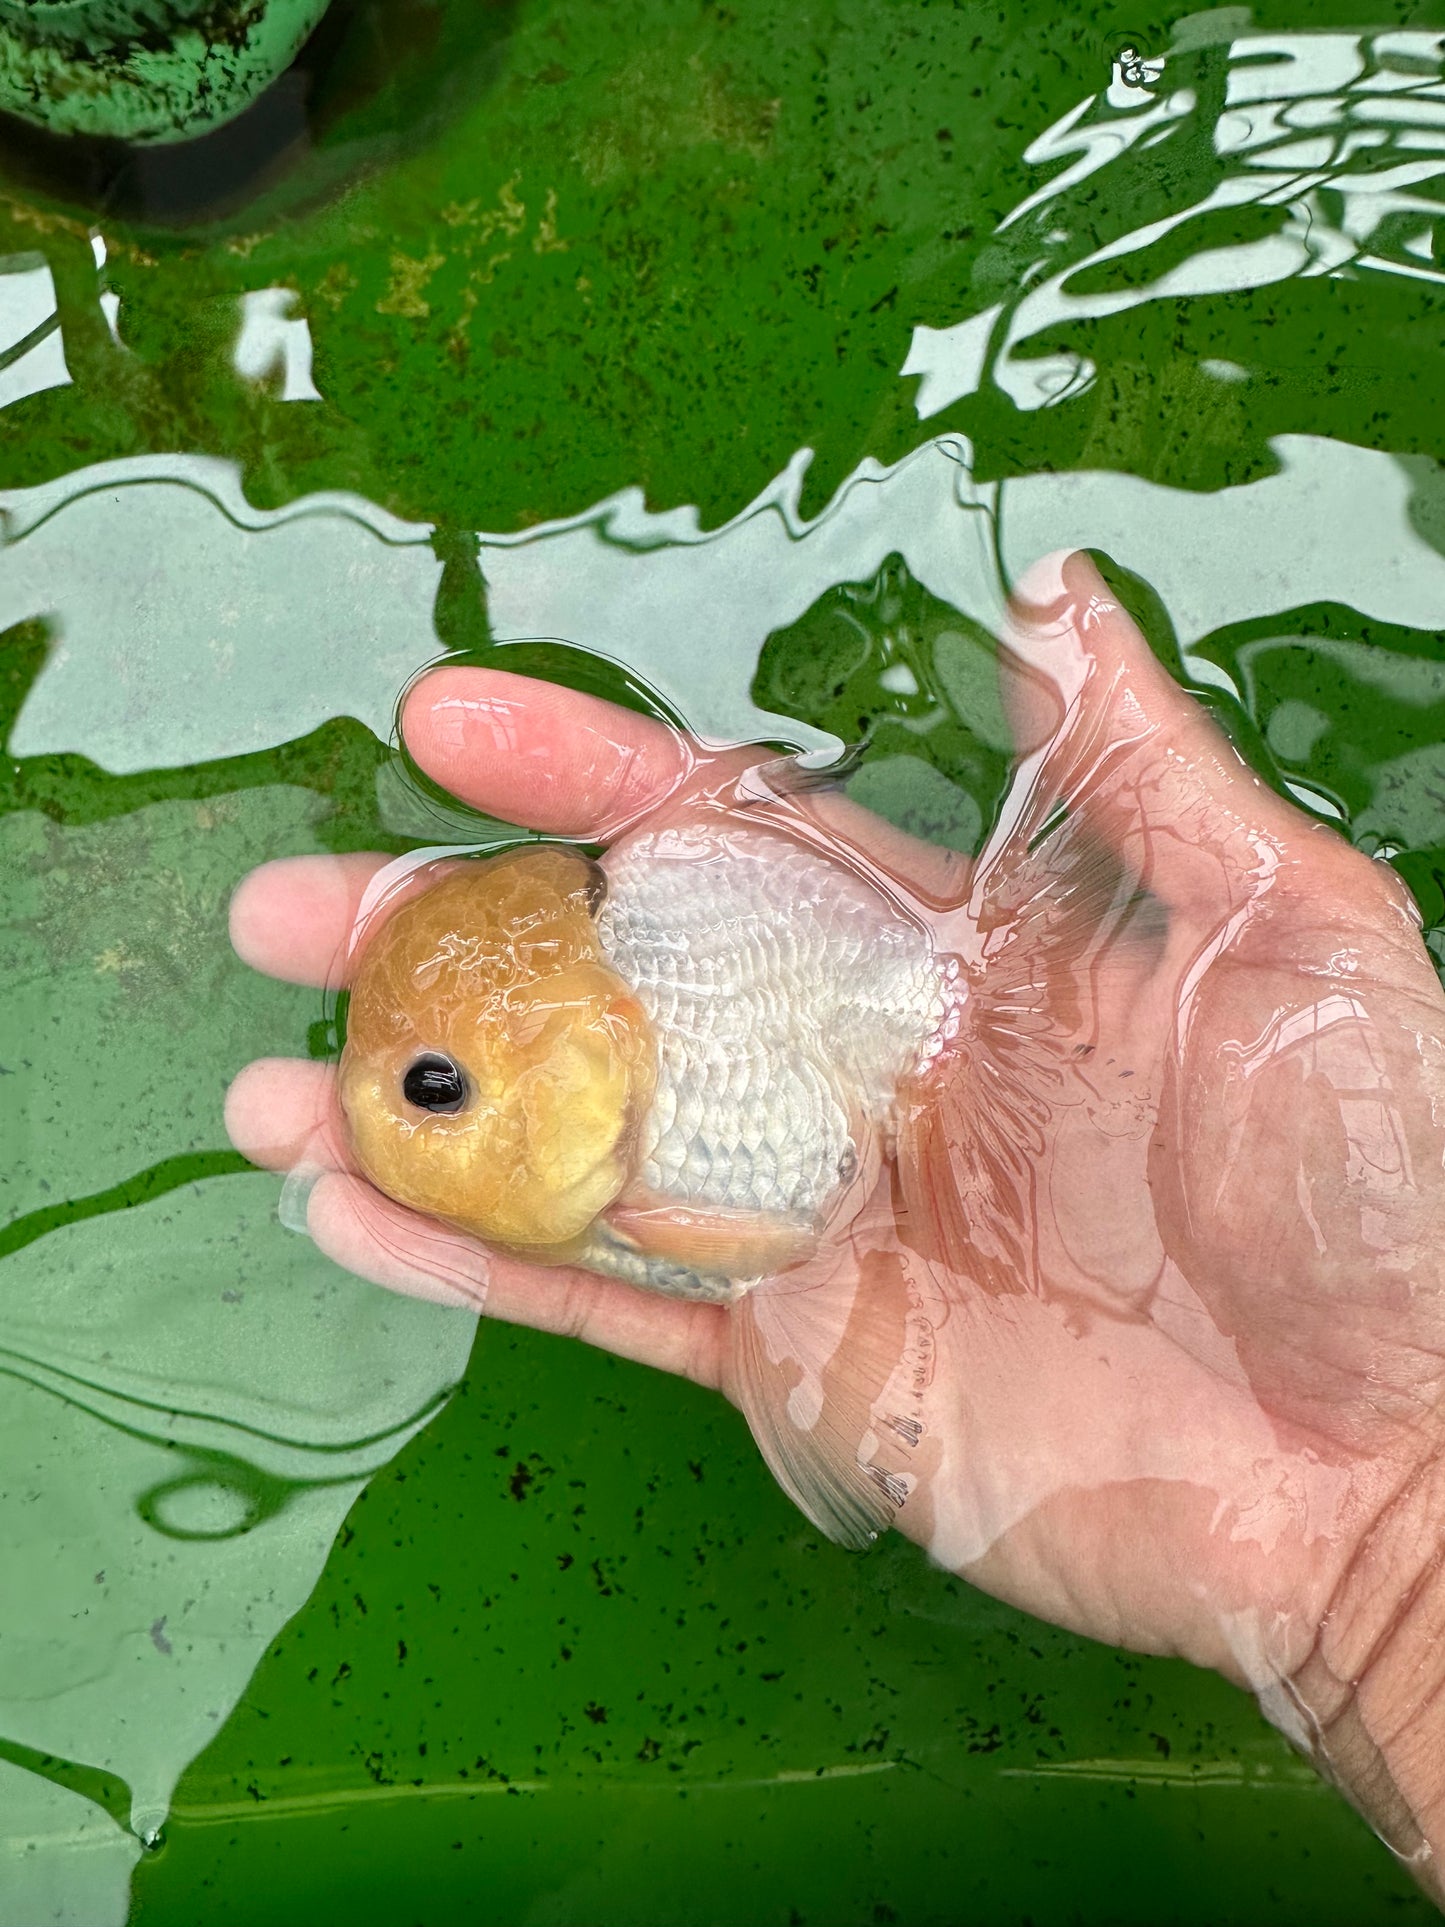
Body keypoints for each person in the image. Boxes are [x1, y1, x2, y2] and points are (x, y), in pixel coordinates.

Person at [226, 550, 1445, 1903]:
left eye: (433, 1090)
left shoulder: (660, 1133)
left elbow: (745, 1253)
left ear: (568, 1079)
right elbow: (758, 1264)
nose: (398, 1114)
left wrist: (1390, 1539)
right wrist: (1378, 1555)